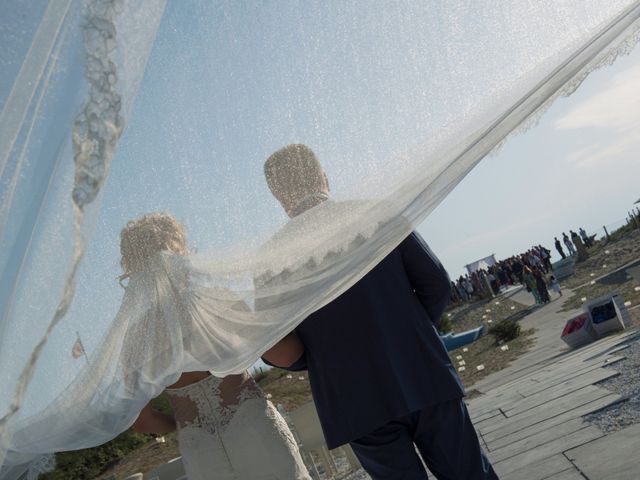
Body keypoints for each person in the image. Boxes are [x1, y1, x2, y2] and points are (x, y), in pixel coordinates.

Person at [261, 144, 498, 479]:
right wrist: (406, 331)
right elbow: (436, 283)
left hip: (353, 400)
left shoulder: (270, 260)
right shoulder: (375, 214)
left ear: (279, 196)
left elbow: (279, 346)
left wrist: (321, 359)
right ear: (322, 175)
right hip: (422, 371)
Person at [124, 213, 311, 480]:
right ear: (179, 252)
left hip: (200, 449)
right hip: (254, 430)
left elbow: (141, 421)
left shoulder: (135, 339)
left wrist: (181, 426)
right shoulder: (218, 301)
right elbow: (285, 354)